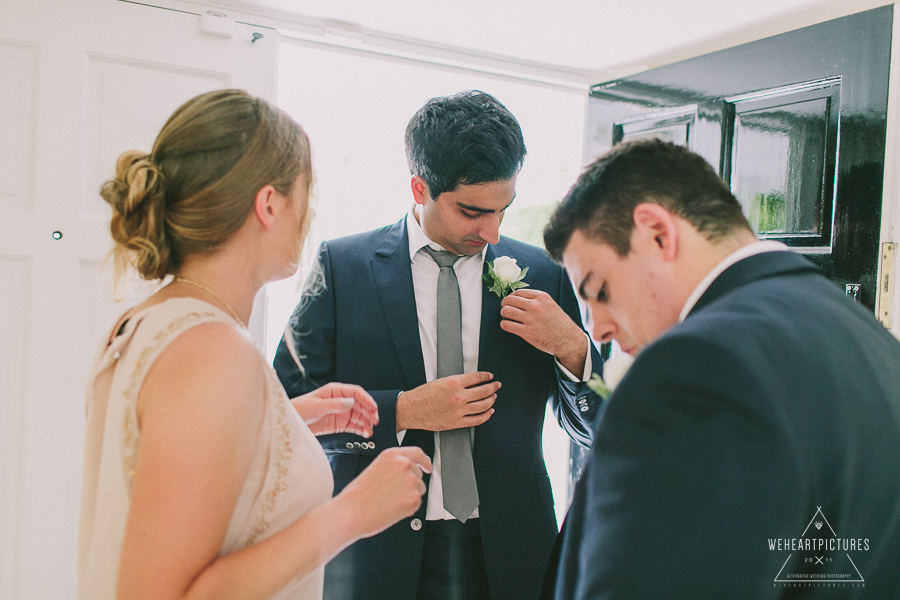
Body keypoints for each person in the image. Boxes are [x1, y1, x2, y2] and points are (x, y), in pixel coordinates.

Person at [78, 89, 431, 600]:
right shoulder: (212, 352)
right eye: (306, 194)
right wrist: (354, 513)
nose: (309, 216)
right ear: (269, 203)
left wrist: (283, 422)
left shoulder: (147, 320)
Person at [274, 90, 604, 600]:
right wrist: (403, 411)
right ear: (419, 186)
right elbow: (285, 419)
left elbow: (595, 428)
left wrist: (573, 349)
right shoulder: (341, 269)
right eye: (473, 211)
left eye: (503, 209)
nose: (492, 231)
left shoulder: (544, 274)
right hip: (376, 552)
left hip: (514, 552)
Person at [540, 138, 900, 598]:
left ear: (657, 232)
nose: (599, 328)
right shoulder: (868, 338)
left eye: (600, 291)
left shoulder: (694, 369)